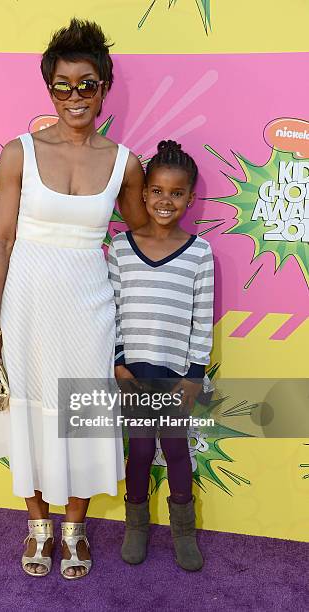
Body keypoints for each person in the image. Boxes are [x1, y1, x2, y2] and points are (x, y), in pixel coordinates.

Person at [0, 18, 148, 580]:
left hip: (89, 308)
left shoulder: (126, 163)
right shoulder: (17, 153)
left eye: (87, 84)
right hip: (25, 304)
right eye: (62, 85)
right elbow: (1, 242)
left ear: (104, 87)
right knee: (28, 413)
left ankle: (74, 528)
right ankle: (38, 526)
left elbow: (143, 230)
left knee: (81, 417)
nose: (75, 96)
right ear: (49, 89)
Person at [108, 139, 214, 571]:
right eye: (156, 191)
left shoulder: (200, 253)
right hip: (133, 372)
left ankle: (183, 532)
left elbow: (201, 319)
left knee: (174, 452)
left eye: (176, 193)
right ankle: (136, 526)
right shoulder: (119, 248)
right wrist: (117, 361)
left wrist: (193, 375)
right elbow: (111, 310)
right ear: (143, 193)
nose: (164, 200)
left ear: (189, 198)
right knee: (137, 453)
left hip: (175, 377)